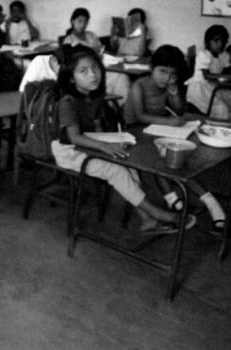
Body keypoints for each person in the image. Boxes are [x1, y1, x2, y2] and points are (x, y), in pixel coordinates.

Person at [51, 45, 196, 234]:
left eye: (95, 68)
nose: (92, 75)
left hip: (88, 144)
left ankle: (146, 220)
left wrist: (111, 140)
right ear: (71, 78)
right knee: (116, 170)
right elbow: (73, 137)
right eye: (83, 71)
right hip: (68, 151)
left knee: (129, 167)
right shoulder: (67, 102)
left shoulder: (93, 96)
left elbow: (95, 126)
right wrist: (104, 146)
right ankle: (160, 215)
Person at [125, 45, 226, 232]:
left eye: (172, 74)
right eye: (162, 71)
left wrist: (174, 93)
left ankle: (201, 200)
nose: (167, 77)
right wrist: (167, 122)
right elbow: (139, 116)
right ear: (151, 68)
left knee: (179, 158)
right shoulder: (139, 86)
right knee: (163, 158)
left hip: (158, 132)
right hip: (135, 134)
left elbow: (179, 110)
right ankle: (175, 198)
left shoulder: (168, 86)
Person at [186, 25, 231, 119]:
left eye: (223, 41)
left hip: (213, 86)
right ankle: (219, 130)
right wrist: (227, 76)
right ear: (208, 41)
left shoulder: (224, 55)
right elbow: (207, 76)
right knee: (222, 109)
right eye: (216, 41)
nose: (220, 44)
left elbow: (228, 69)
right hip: (200, 89)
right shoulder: (204, 55)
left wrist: (227, 75)